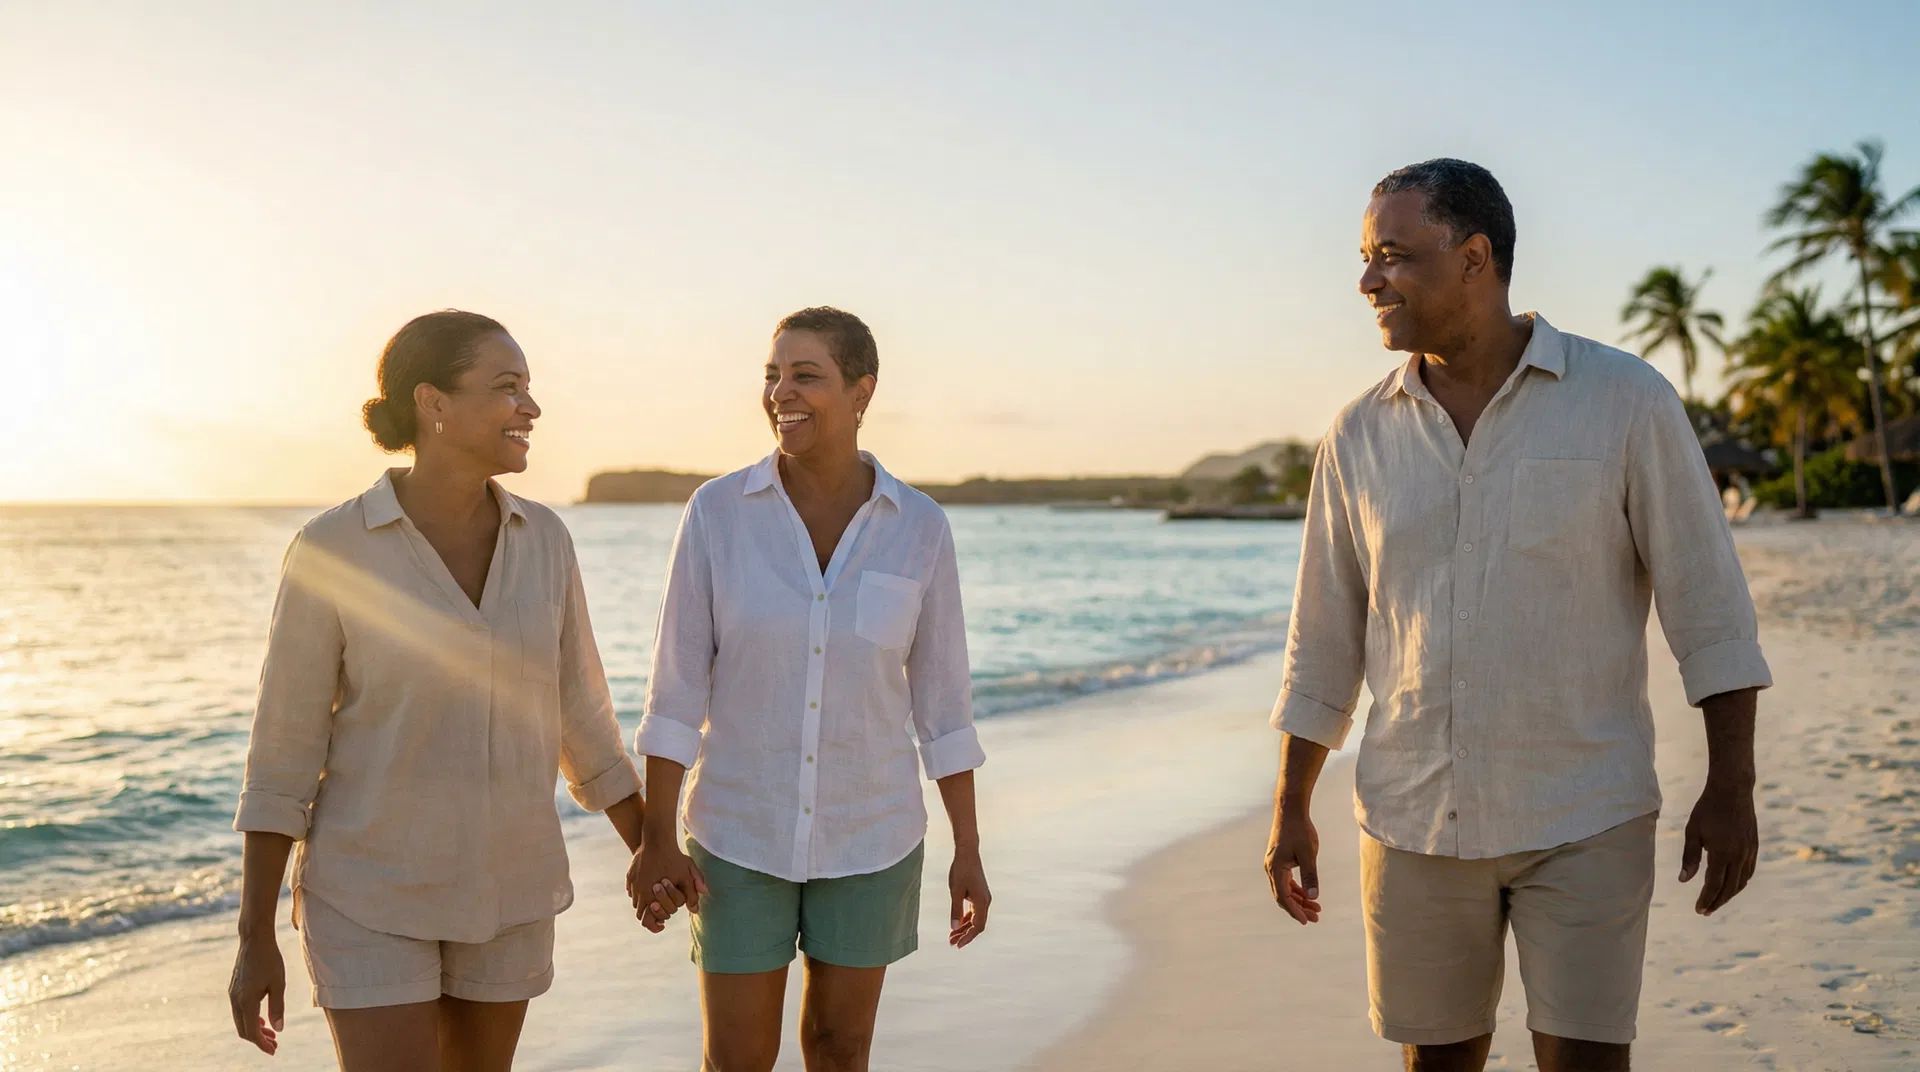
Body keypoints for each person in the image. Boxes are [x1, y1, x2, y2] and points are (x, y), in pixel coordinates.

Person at [1263, 160, 1772, 1072]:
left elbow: (1710, 607)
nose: (1367, 280)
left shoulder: (1624, 401)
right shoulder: (1356, 436)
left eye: (1393, 255)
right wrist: (1290, 807)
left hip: (1586, 811)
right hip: (1412, 820)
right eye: (1365, 257)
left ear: (1474, 257)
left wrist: (1731, 785)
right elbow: (1324, 641)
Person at [227, 310, 655, 1071]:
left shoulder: (546, 540)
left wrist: (650, 849)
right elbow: (283, 754)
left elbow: (582, 720)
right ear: (434, 403)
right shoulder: (333, 549)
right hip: (369, 896)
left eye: (528, 388)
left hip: (509, 891)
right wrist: (254, 934)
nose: (531, 407)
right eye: (507, 387)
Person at [627, 306, 990, 1072]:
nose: (780, 392)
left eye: (805, 375)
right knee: (735, 1059)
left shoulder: (918, 526)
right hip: (737, 833)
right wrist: (658, 834)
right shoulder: (718, 514)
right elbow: (675, 692)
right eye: (772, 375)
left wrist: (969, 849)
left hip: (873, 834)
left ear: (862, 392)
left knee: (839, 1049)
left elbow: (943, 706)